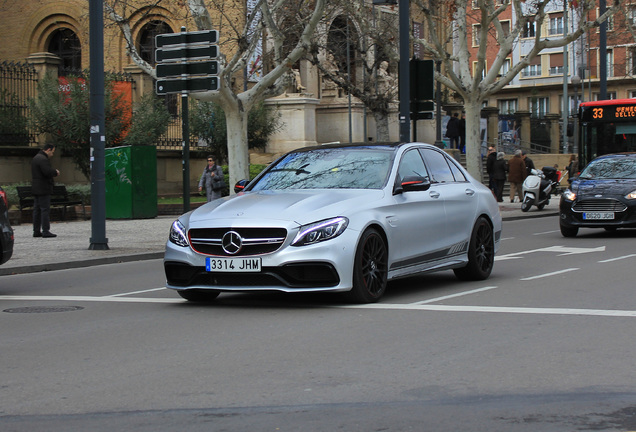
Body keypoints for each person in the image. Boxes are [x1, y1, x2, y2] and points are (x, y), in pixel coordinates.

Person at [31, 143, 60, 238]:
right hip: (43, 188)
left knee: (37, 210)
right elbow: (47, 172)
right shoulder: (43, 159)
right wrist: (55, 172)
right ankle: (45, 230)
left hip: (36, 187)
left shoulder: (36, 158)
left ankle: (36, 230)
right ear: (48, 150)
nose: (52, 154)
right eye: (52, 152)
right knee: (44, 210)